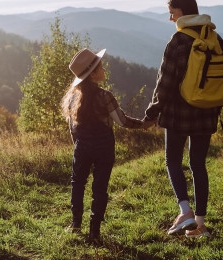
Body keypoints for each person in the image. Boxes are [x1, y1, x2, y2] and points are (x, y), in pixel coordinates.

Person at [143, 0, 221, 238]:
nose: (170, 18)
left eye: (171, 12)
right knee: (198, 164)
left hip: (179, 113)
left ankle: (185, 212)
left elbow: (164, 83)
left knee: (172, 161)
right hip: (207, 111)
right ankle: (200, 225)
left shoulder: (179, 40)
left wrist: (151, 113)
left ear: (182, 11)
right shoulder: (212, 38)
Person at [61, 48, 152, 243]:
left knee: (77, 183)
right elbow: (121, 121)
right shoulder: (105, 96)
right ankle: (94, 231)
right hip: (104, 147)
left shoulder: (73, 97)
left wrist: (78, 145)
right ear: (93, 73)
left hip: (82, 146)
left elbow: (72, 127)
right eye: (100, 66)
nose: (104, 69)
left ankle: (76, 224)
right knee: (100, 188)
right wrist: (143, 124)